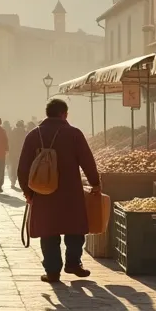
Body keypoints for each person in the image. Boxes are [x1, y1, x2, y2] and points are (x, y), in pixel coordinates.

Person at [18, 99, 101, 284]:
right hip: (70, 191)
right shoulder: (73, 134)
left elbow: (23, 168)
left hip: (42, 192)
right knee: (75, 227)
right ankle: (73, 263)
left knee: (48, 231)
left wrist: (28, 192)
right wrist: (95, 183)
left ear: (47, 113)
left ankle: (52, 271)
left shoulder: (33, 135)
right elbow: (87, 161)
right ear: (64, 114)